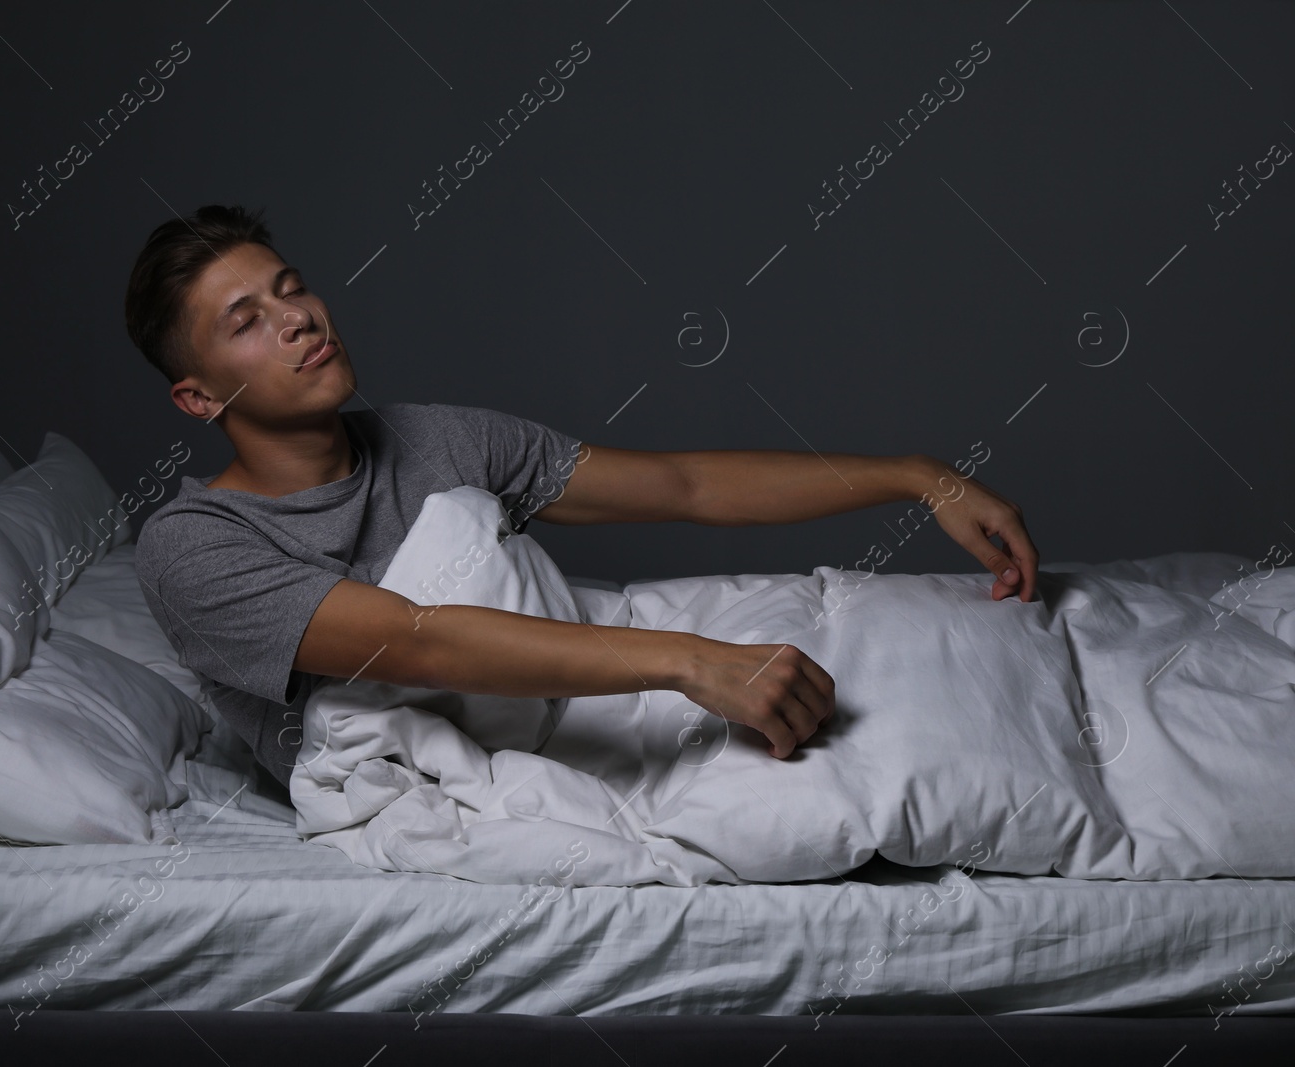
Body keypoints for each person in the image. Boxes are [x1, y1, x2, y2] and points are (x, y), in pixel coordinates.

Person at [125, 204, 1039, 794]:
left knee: (972, 662)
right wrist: (692, 663)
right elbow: (416, 637)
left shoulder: (434, 437)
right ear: (199, 397)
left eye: (292, 289)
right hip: (495, 758)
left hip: (601, 668)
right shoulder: (193, 545)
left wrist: (920, 477)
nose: (299, 318)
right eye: (247, 322)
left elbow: (684, 484)